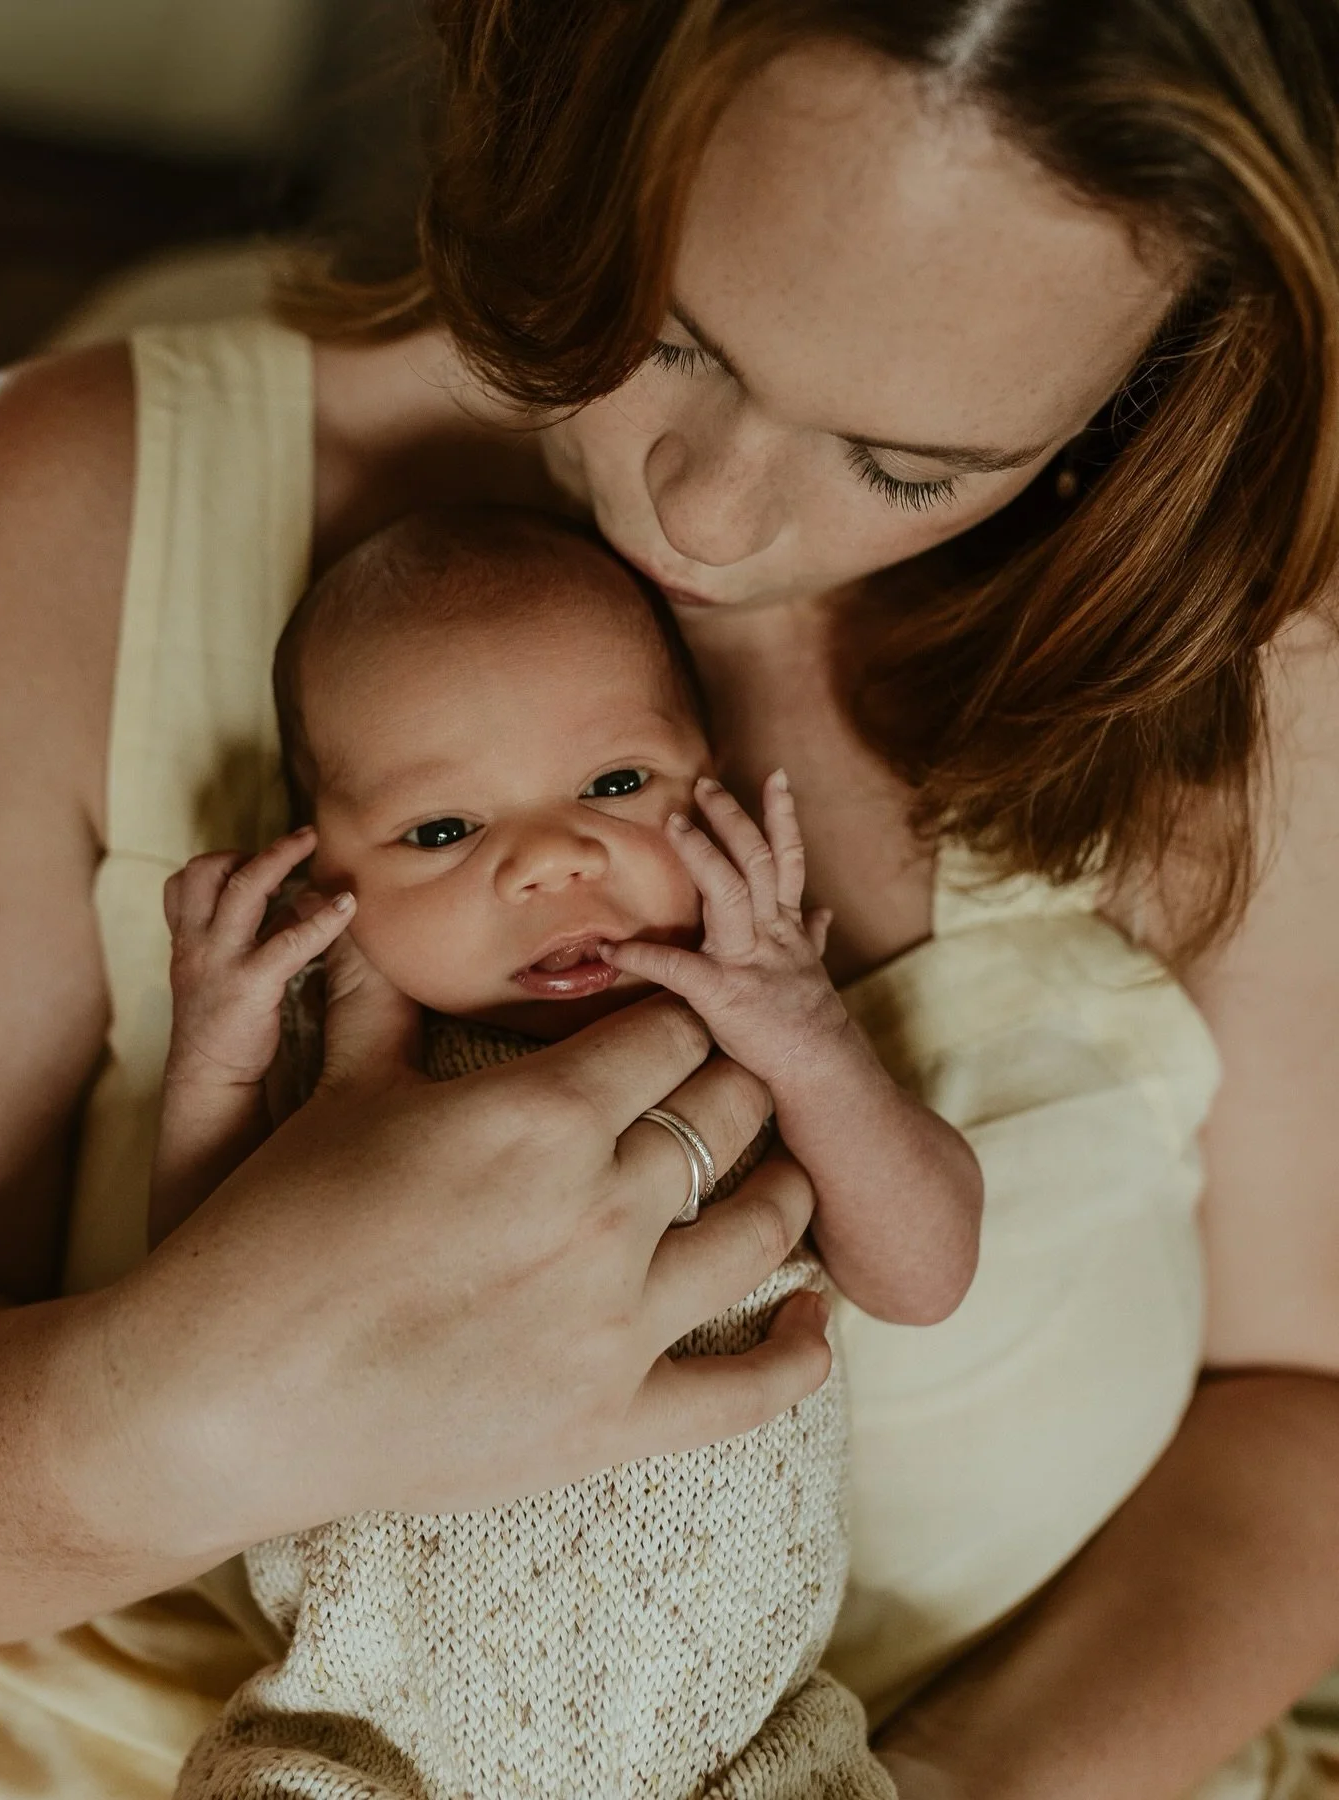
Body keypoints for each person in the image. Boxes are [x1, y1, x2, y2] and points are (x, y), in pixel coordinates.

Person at [0, 3, 1337, 1798]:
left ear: (1136, 394)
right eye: (669, 334)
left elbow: (1304, 1422)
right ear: (577, 117)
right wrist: (186, 1407)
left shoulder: (1231, 677)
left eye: (911, 466)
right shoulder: (59, 506)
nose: (708, 521)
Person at [161, 504, 977, 1799]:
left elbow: (925, 1271)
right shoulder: (354, 1093)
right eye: (442, 830)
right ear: (325, 882)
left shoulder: (752, 1038)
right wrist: (216, 1057)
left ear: (711, 779)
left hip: (743, 1751)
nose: (552, 859)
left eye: (614, 784)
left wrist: (813, 1037)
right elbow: (194, 1315)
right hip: (357, 1744)